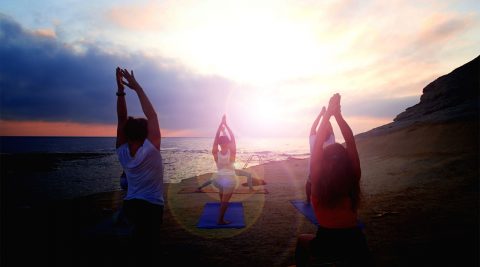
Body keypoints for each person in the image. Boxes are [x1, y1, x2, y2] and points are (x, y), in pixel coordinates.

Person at [296, 93, 372, 266]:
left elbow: (317, 146)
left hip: (327, 243)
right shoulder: (352, 180)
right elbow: (350, 142)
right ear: (346, 162)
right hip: (355, 243)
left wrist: (328, 114)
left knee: (302, 240)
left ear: (323, 162)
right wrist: (337, 115)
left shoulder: (317, 184)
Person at [115, 67, 163, 266]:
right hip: (151, 207)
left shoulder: (122, 151)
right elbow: (152, 115)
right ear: (145, 133)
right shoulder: (151, 149)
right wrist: (138, 88)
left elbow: (121, 118)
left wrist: (121, 90)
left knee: (136, 244)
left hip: (131, 205)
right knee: (148, 249)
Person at [305, 106, 335, 205]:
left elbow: (313, 127)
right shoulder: (331, 140)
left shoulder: (314, 140)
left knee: (310, 182)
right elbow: (330, 128)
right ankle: (325, 199)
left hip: (315, 168)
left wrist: (321, 114)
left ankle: (308, 200)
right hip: (328, 168)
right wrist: (325, 115)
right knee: (326, 183)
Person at [211, 115, 237, 225]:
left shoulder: (215, 153)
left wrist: (220, 126)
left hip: (219, 179)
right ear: (228, 143)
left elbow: (216, 139)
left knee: (222, 198)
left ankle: (220, 216)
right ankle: (221, 220)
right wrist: (225, 125)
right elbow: (233, 137)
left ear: (220, 144)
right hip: (230, 178)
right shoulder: (232, 153)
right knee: (225, 201)